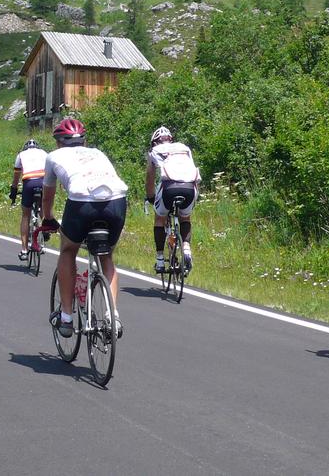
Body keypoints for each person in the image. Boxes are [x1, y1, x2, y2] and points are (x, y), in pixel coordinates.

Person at [44, 117, 128, 340]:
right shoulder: (98, 153)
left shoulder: (52, 156)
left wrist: (48, 219)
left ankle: (66, 317)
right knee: (107, 256)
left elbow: (48, 197)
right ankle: (113, 316)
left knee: (68, 250)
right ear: (84, 141)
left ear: (58, 142)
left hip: (82, 203)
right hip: (117, 201)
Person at [145, 126, 200, 273]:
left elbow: (150, 178)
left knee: (159, 219)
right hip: (190, 187)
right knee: (185, 218)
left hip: (169, 187)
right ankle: (186, 249)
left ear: (155, 142)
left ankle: (160, 260)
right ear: (171, 140)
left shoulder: (154, 151)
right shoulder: (184, 147)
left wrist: (150, 196)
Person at [10, 138, 48, 260]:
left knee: (26, 215)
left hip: (29, 183)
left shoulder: (21, 154)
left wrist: (14, 191)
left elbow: (16, 176)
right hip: (43, 181)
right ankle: (46, 228)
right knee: (44, 207)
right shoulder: (44, 153)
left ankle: (24, 250)